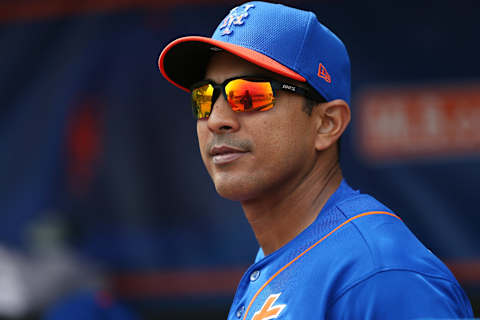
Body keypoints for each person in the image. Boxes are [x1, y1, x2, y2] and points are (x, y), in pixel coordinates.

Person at [158, 2, 473, 319]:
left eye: (249, 95)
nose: (216, 120)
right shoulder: (285, 257)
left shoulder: (378, 274)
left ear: (327, 123)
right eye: (204, 97)